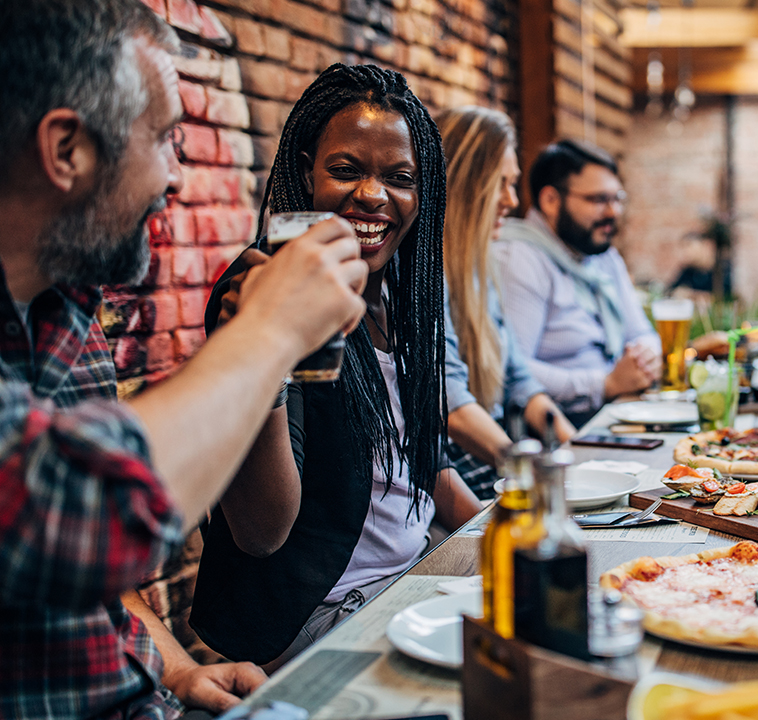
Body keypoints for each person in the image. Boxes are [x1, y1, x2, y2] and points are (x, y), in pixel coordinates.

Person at [0, 1, 369, 717]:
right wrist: (267, 332)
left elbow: (98, 582)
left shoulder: (65, 311)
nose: (179, 171)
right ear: (67, 149)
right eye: (166, 137)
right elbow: (73, 513)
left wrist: (174, 673)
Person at [189, 65, 483, 669]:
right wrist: (263, 347)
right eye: (346, 170)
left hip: (415, 570)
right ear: (306, 172)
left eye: (399, 178)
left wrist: (504, 523)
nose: (372, 196)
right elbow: (261, 532)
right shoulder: (267, 287)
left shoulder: (405, 288)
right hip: (318, 613)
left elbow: (415, 470)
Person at [434, 106, 575, 499]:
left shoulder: (478, 270)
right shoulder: (424, 276)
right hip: (463, 482)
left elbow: (518, 381)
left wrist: (575, 448)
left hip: (497, 469)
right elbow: (453, 405)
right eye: (502, 184)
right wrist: (529, 473)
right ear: (463, 185)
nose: (512, 200)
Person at [493, 139, 661, 425]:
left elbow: (642, 333)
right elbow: (509, 371)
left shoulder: (602, 256)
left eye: (617, 198)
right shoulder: (520, 259)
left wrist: (646, 357)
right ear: (550, 201)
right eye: (598, 200)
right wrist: (605, 384)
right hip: (558, 433)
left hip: (618, 415)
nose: (613, 212)